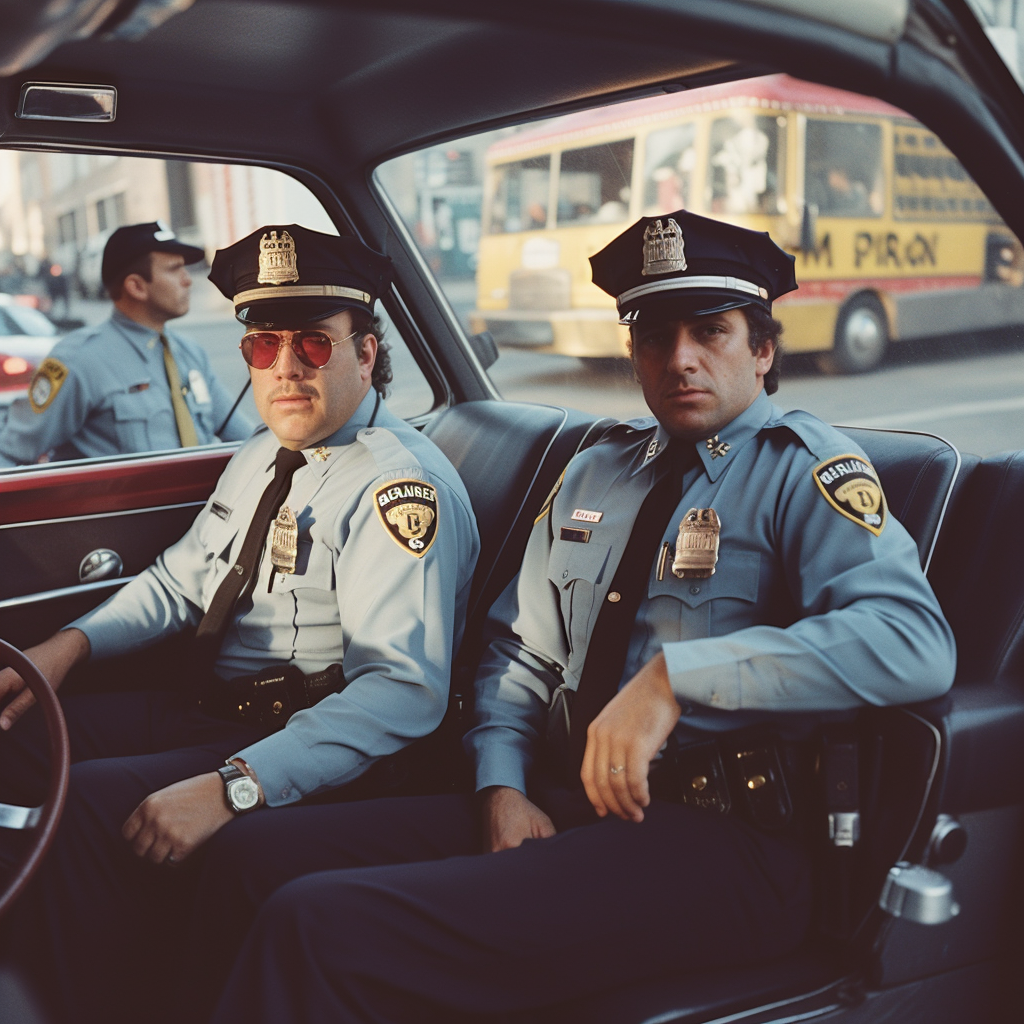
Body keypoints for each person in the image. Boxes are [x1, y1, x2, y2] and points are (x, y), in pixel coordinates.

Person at [172, 210, 956, 1024]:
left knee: (320, 925)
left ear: (763, 350)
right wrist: (501, 785)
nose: (679, 357)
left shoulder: (807, 471)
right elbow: (518, 655)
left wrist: (675, 681)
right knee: (249, 852)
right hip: (565, 798)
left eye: (711, 332)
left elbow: (913, 643)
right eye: (654, 335)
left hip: (722, 845)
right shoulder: (599, 472)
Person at [0, 224, 480, 1024]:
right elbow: (180, 583)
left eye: (315, 347)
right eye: (263, 346)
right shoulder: (264, 452)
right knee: (21, 730)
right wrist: (65, 647)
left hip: (305, 737)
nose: (286, 367)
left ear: (366, 353)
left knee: (79, 803)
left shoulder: (400, 489)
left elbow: (400, 691)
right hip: (215, 704)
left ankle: (85, 1000)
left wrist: (233, 786)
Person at [0, 221, 253, 466]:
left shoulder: (190, 353)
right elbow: (12, 452)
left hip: (203, 506)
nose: (187, 280)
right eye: (174, 269)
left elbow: (245, 439)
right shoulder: (78, 361)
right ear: (136, 286)